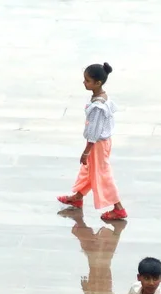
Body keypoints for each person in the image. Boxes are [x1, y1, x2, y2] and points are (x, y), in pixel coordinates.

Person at [57, 63, 127, 221]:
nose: (84, 83)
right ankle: (78, 197)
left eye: (87, 80)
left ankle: (118, 208)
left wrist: (86, 150)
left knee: (102, 174)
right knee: (89, 171)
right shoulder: (103, 97)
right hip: (103, 142)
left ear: (98, 83)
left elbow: (94, 131)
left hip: (96, 144)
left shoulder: (97, 106)